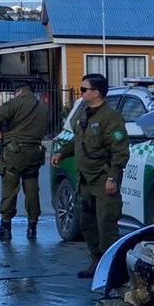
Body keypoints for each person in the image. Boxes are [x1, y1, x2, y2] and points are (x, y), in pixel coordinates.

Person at [51, 73, 129, 278]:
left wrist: (112, 177)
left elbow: (120, 151)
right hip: (85, 179)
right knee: (87, 223)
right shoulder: (84, 115)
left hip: (103, 179)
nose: (82, 92)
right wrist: (62, 153)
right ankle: (96, 261)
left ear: (96, 93)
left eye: (85, 89)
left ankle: (113, 269)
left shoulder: (110, 118)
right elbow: (79, 141)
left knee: (106, 225)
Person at [0, 85, 49, 241]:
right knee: (32, 189)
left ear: (19, 92)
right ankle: (32, 226)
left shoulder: (16, 103)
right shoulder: (42, 107)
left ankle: (5, 227)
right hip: (35, 152)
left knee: (10, 188)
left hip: (15, 152)